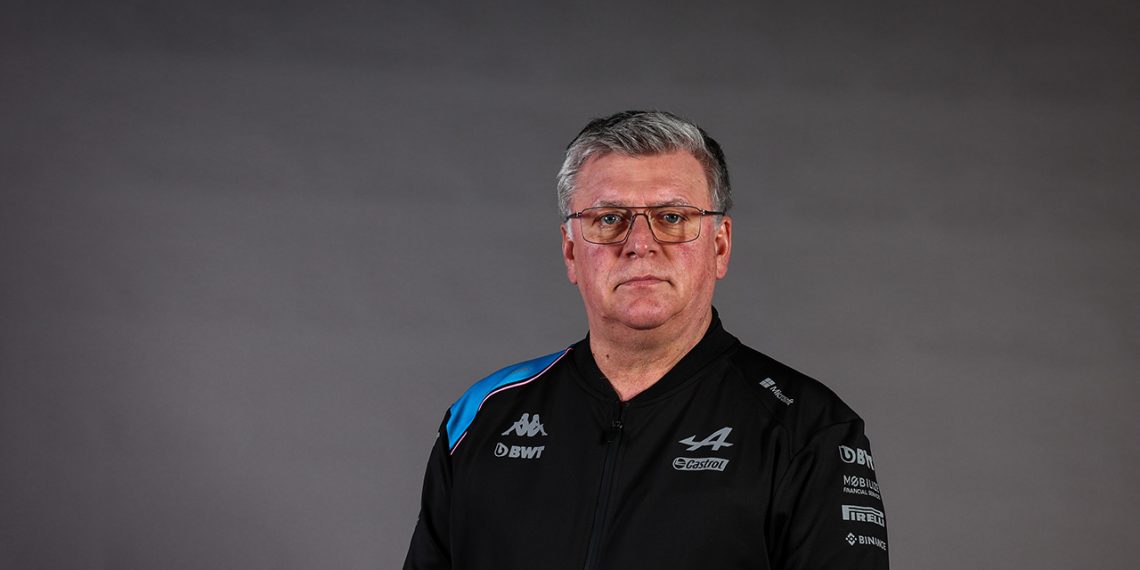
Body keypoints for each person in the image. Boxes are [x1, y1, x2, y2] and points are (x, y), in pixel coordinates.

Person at [404, 110, 889, 569]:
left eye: (672, 217)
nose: (640, 244)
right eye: (608, 219)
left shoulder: (807, 429)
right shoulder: (480, 418)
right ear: (571, 252)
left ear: (720, 246)